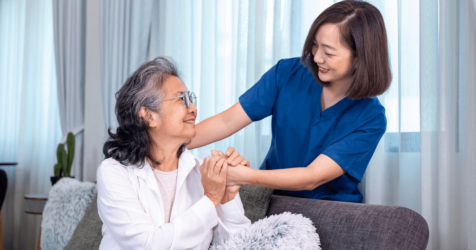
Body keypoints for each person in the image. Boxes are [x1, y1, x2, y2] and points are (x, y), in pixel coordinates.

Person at [188, 0, 391, 203]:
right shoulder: (287, 73)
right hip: (270, 197)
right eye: (314, 45)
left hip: (327, 208)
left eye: (328, 52)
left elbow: (312, 177)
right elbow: (227, 121)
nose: (317, 57)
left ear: (360, 58)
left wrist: (242, 175)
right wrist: (172, 142)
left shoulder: (371, 118)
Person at [97, 57, 251, 250]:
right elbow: (147, 245)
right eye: (182, 99)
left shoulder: (203, 173)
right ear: (148, 115)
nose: (193, 109)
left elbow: (244, 246)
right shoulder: (113, 172)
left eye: (192, 99)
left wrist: (227, 197)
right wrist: (211, 199)